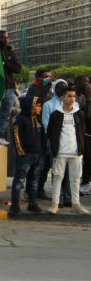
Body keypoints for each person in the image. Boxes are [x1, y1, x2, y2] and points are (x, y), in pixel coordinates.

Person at [47, 86, 89, 214]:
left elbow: (82, 132)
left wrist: (81, 148)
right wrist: (54, 148)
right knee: (57, 177)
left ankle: (76, 204)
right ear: (62, 98)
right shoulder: (56, 114)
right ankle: (55, 204)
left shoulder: (79, 114)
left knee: (76, 178)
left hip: (76, 152)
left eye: (73, 96)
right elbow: (50, 132)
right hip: (60, 152)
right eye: (69, 96)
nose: (72, 99)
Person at [10, 96, 46, 214]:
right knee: (19, 181)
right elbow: (16, 138)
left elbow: (42, 138)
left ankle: (32, 203)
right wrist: (22, 153)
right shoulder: (21, 120)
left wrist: (43, 153)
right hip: (26, 156)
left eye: (40, 106)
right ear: (30, 106)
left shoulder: (38, 120)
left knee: (34, 181)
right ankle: (15, 205)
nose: (39, 108)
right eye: (37, 106)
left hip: (38, 156)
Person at [0, 30, 22, 145]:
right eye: (3, 37)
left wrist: (6, 64)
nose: (6, 39)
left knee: (5, 113)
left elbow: (18, 68)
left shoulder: (10, 52)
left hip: (9, 87)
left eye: (7, 37)